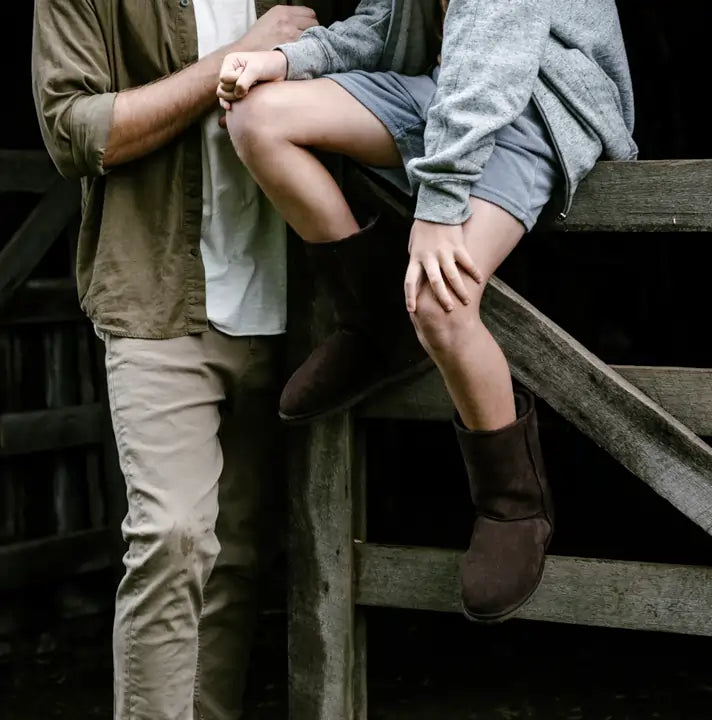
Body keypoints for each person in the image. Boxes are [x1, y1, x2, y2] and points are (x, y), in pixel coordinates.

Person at [216, 0, 637, 622]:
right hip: (446, 93)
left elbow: (493, 58)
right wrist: (282, 59)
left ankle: (513, 502)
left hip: (536, 104)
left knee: (439, 301)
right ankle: (377, 323)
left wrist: (438, 207)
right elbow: (385, 26)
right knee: (257, 118)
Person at [31, 2, 319, 718]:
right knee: (173, 537)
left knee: (237, 557)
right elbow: (73, 130)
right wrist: (232, 62)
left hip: (287, 301)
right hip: (158, 293)